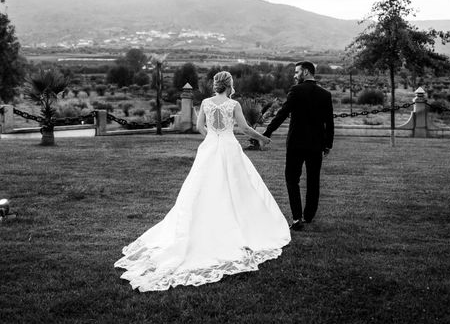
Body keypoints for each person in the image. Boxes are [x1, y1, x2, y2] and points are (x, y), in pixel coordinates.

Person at [114, 71, 291, 292]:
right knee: (236, 187)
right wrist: (263, 138)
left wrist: (212, 137)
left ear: (216, 85)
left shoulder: (206, 103)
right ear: (230, 85)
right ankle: (238, 225)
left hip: (209, 147)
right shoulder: (233, 104)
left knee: (204, 187)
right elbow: (244, 129)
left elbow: (199, 127)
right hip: (228, 147)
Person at [262, 61, 334, 231]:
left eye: (297, 72)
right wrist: (328, 144)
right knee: (313, 180)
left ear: (306, 72)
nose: (295, 75)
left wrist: (268, 132)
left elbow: (282, 113)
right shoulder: (325, 94)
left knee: (291, 179)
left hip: (296, 143)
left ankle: (296, 218)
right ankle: (308, 216)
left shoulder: (296, 91)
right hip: (316, 145)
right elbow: (329, 123)